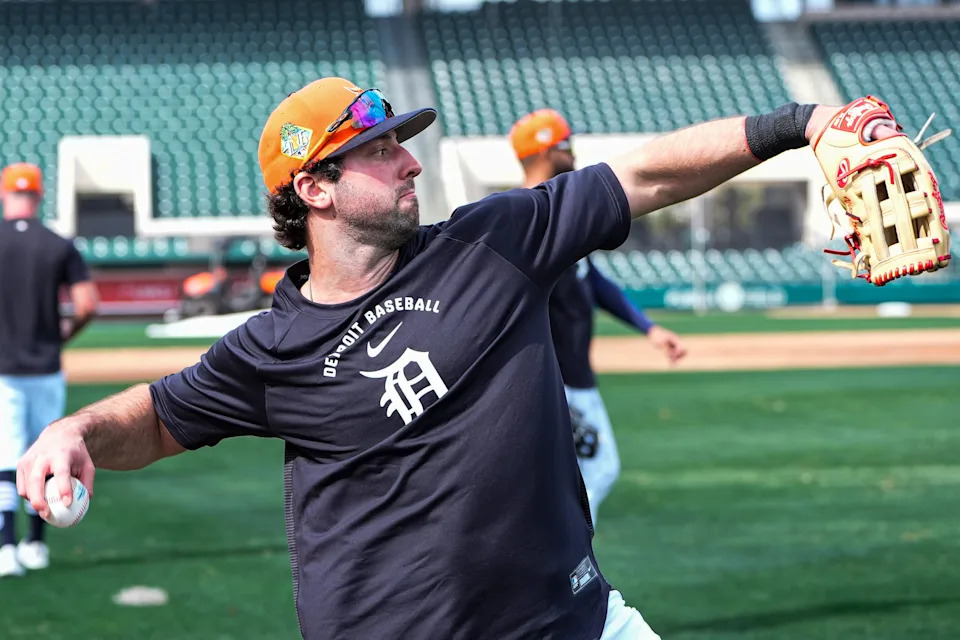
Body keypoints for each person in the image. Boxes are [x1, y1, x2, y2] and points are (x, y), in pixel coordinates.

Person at [17, 78, 888, 638]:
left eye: (403, 143)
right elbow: (161, 416)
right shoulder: (271, 349)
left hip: (577, 622)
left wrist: (803, 122)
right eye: (381, 150)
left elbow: (646, 177)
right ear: (313, 190)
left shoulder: (493, 242)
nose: (410, 163)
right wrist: (80, 430)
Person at [510, 109, 688, 526]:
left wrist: (649, 328)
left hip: (573, 379)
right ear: (547, 151)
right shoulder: (524, 221)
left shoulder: (558, 216)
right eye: (566, 144)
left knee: (570, 477)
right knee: (597, 471)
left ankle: (559, 560)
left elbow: (595, 282)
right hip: (557, 383)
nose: (573, 152)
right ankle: (563, 560)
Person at [0, 163, 98, 577]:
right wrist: (62, 334)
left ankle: (5, 549)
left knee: (5, 457)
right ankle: (36, 544)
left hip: (3, 368)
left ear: (5, 195)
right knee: (46, 455)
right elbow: (87, 304)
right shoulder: (59, 244)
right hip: (46, 365)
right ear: (38, 196)